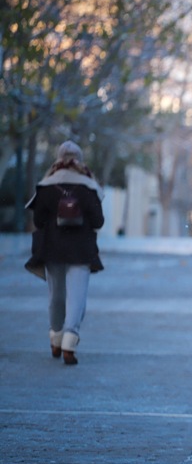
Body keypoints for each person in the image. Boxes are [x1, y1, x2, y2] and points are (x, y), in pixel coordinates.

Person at [24, 140, 105, 365]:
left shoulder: (46, 185)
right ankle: (70, 343)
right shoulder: (88, 187)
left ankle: (56, 341)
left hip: (52, 249)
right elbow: (98, 221)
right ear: (79, 159)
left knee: (56, 297)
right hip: (81, 250)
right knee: (77, 298)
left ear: (58, 158)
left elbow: (38, 220)